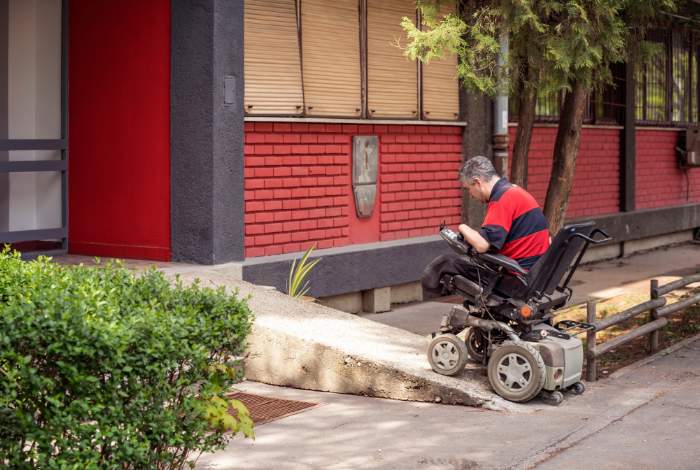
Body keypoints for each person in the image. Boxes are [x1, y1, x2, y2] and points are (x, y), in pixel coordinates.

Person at [421, 156, 550, 295]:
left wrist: (462, 227)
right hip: (535, 274)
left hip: (517, 280)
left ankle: (441, 294)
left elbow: (482, 245)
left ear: (477, 182)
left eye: (468, 189)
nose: (471, 195)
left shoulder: (502, 198)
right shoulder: (515, 191)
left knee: (445, 262)